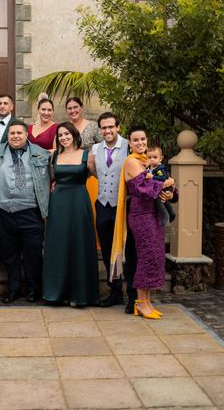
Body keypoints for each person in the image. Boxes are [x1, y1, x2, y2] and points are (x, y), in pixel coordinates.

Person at [112, 125, 175, 319]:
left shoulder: (147, 162)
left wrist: (170, 192)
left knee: (154, 256)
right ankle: (140, 303)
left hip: (153, 214)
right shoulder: (132, 162)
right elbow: (145, 188)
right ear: (129, 143)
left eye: (143, 139)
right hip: (141, 216)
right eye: (136, 140)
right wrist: (165, 184)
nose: (140, 143)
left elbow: (162, 184)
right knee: (145, 257)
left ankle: (147, 302)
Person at [0, 121, 50, 303]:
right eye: (12, 133)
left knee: (33, 255)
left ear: (26, 134)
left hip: (31, 212)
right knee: (10, 255)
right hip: (5, 211)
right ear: (8, 135)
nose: (15, 136)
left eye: (19, 133)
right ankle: (13, 290)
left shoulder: (42, 154)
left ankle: (33, 290)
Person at [42, 122, 100, 307]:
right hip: (58, 203)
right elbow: (50, 177)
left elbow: (99, 176)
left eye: (67, 134)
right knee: (58, 245)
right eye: (60, 135)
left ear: (74, 135)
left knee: (79, 245)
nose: (64, 138)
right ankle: (56, 293)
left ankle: (80, 294)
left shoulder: (87, 155)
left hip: (79, 202)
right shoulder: (54, 155)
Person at [92, 112, 138, 313]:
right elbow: (94, 171)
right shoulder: (95, 149)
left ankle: (132, 296)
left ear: (118, 127)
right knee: (109, 248)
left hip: (124, 206)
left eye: (111, 127)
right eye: (103, 127)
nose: (107, 131)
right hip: (103, 204)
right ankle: (115, 291)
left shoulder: (129, 146)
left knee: (128, 251)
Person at [66, 97, 102, 249]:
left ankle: (95, 245)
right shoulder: (65, 128)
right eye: (69, 108)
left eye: (75, 107)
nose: (73, 110)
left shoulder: (93, 126)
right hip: (72, 176)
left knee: (92, 213)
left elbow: (102, 147)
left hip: (90, 175)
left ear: (81, 108)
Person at [147, 146, 176, 226]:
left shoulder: (160, 169)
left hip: (166, 187)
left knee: (158, 200)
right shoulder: (151, 168)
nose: (152, 159)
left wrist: (152, 177)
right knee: (164, 200)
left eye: (155, 157)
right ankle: (172, 213)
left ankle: (165, 216)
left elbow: (163, 178)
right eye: (149, 157)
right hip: (162, 188)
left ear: (160, 158)